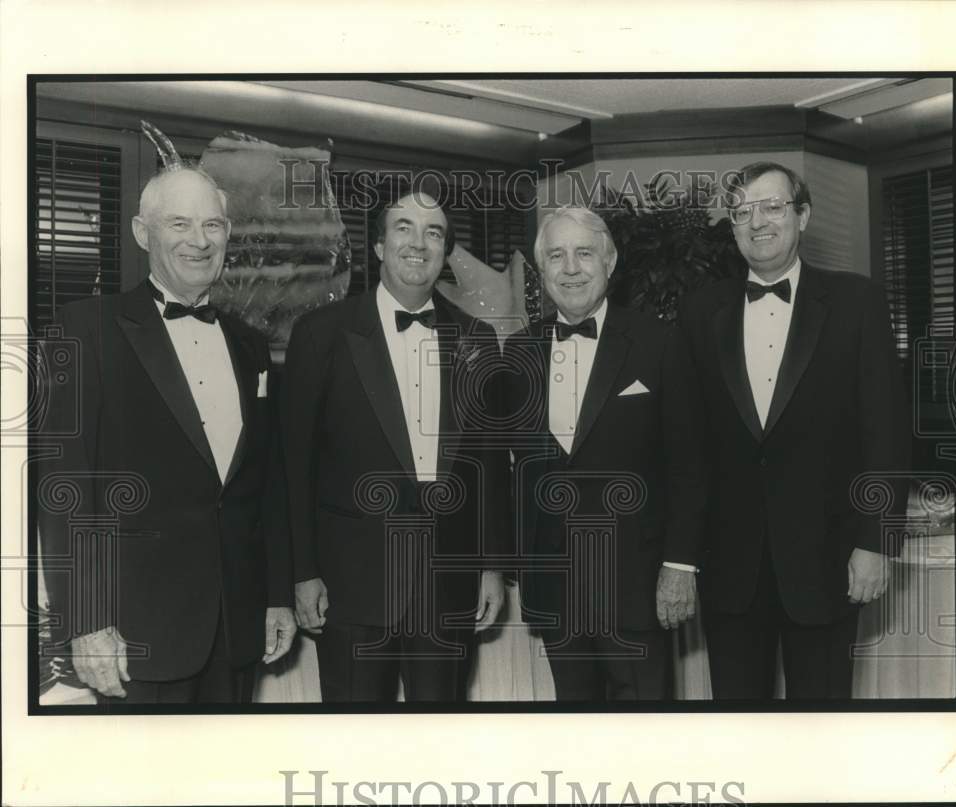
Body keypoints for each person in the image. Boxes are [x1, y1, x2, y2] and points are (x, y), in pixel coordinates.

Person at [38, 166, 296, 704]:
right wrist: (86, 621)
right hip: (133, 637)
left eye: (213, 225)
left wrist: (275, 596)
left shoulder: (249, 344)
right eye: (179, 223)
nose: (199, 241)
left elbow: (265, 484)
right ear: (141, 232)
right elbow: (65, 488)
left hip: (235, 629)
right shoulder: (86, 327)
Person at [663, 161, 911, 699]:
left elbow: (885, 431)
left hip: (828, 564)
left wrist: (876, 541)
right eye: (742, 212)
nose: (758, 222)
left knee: (820, 731)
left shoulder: (857, 302)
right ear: (732, 227)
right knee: (740, 730)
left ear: (803, 215)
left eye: (772, 206)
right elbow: (687, 448)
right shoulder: (699, 312)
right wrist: (680, 557)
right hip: (730, 571)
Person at [281, 191, 509, 702]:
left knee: (437, 743)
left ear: (445, 251)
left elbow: (489, 464)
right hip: (350, 584)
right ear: (380, 246)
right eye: (404, 228)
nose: (418, 243)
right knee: (357, 745)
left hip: (446, 582)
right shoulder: (321, 334)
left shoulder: (477, 338)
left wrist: (492, 566)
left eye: (433, 232)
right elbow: (294, 464)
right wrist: (302, 572)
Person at [504, 206, 683, 701]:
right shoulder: (517, 353)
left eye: (584, 253)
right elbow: (509, 471)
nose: (571, 268)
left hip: (638, 583)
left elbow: (689, 465)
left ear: (610, 260)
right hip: (556, 584)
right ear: (542, 272)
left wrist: (681, 565)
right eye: (556, 256)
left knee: (646, 738)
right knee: (575, 730)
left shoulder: (660, 343)